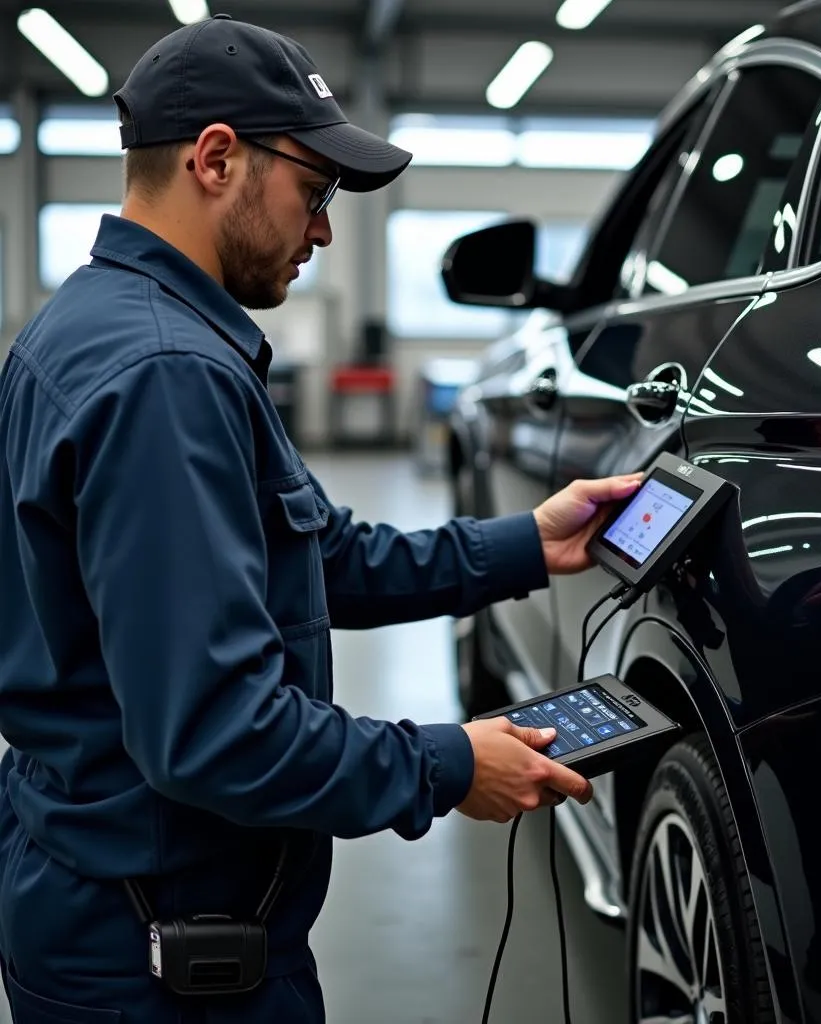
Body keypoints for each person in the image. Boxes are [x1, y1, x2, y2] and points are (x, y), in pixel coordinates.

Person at [0, 14, 642, 1023]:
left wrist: (528, 542)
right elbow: (215, 733)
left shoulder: (98, 326)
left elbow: (313, 555)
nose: (324, 229)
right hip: (164, 961)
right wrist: (445, 763)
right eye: (316, 189)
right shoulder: (167, 375)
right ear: (216, 158)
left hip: (108, 898)